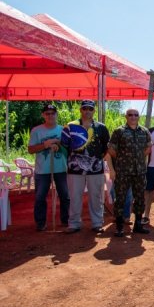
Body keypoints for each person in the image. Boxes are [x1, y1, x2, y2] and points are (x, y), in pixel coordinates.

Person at [60, 100, 110, 233]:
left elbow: (106, 148)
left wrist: (96, 160)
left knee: (96, 196)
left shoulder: (101, 127)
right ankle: (74, 224)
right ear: (80, 110)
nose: (87, 111)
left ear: (94, 111)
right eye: (85, 109)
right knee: (75, 196)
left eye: (90, 109)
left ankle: (97, 223)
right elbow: (64, 145)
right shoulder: (70, 126)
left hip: (96, 168)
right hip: (75, 168)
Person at [108, 108, 152, 237]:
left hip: (139, 171)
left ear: (139, 117)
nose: (133, 117)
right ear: (126, 117)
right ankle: (120, 227)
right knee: (120, 198)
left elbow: (148, 148)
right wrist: (122, 160)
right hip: (123, 171)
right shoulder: (119, 131)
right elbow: (111, 150)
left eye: (135, 115)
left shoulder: (144, 131)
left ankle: (138, 225)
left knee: (139, 198)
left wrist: (137, 158)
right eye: (130, 115)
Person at [27, 104, 70, 231]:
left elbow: (68, 150)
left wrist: (58, 145)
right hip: (42, 170)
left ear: (56, 114)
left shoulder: (63, 130)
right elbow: (30, 149)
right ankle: (41, 223)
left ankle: (66, 220)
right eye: (47, 113)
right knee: (40, 197)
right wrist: (45, 145)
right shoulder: (36, 130)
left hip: (61, 169)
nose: (50, 115)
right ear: (43, 115)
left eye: (52, 113)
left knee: (65, 195)